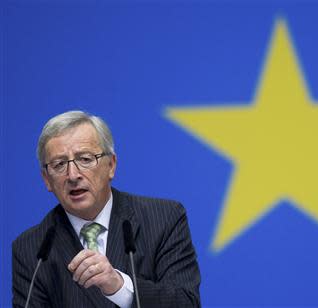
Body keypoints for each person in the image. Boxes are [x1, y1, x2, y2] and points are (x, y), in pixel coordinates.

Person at [12, 110, 201, 307]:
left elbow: (187, 303)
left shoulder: (163, 219)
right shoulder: (32, 249)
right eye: (59, 164)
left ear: (111, 165)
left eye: (85, 159)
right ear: (47, 180)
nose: (73, 175)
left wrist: (119, 287)